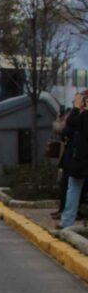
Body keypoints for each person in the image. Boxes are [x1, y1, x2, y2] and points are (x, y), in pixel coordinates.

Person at [59, 91, 88, 229]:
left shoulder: (84, 116)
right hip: (78, 160)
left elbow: (71, 122)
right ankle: (66, 221)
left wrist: (76, 107)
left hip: (81, 161)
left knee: (73, 189)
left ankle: (67, 222)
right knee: (73, 189)